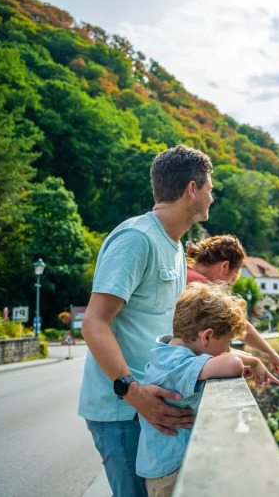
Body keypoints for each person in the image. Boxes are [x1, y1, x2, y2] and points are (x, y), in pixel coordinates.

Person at [78, 145, 217, 497]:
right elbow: (94, 323)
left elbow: (165, 332)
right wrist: (132, 392)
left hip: (151, 408)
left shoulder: (173, 244)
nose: (212, 197)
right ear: (191, 189)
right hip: (124, 410)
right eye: (209, 188)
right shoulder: (137, 238)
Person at [136, 282, 279, 496]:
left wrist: (254, 361)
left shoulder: (168, 351)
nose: (229, 350)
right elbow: (230, 364)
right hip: (171, 472)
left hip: (166, 464)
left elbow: (215, 357)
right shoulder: (177, 364)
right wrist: (241, 361)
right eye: (229, 343)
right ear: (206, 336)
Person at [185, 235, 279, 373]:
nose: (229, 287)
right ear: (224, 266)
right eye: (233, 278)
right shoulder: (202, 288)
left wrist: (238, 355)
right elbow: (237, 324)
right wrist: (270, 354)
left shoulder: (184, 273)